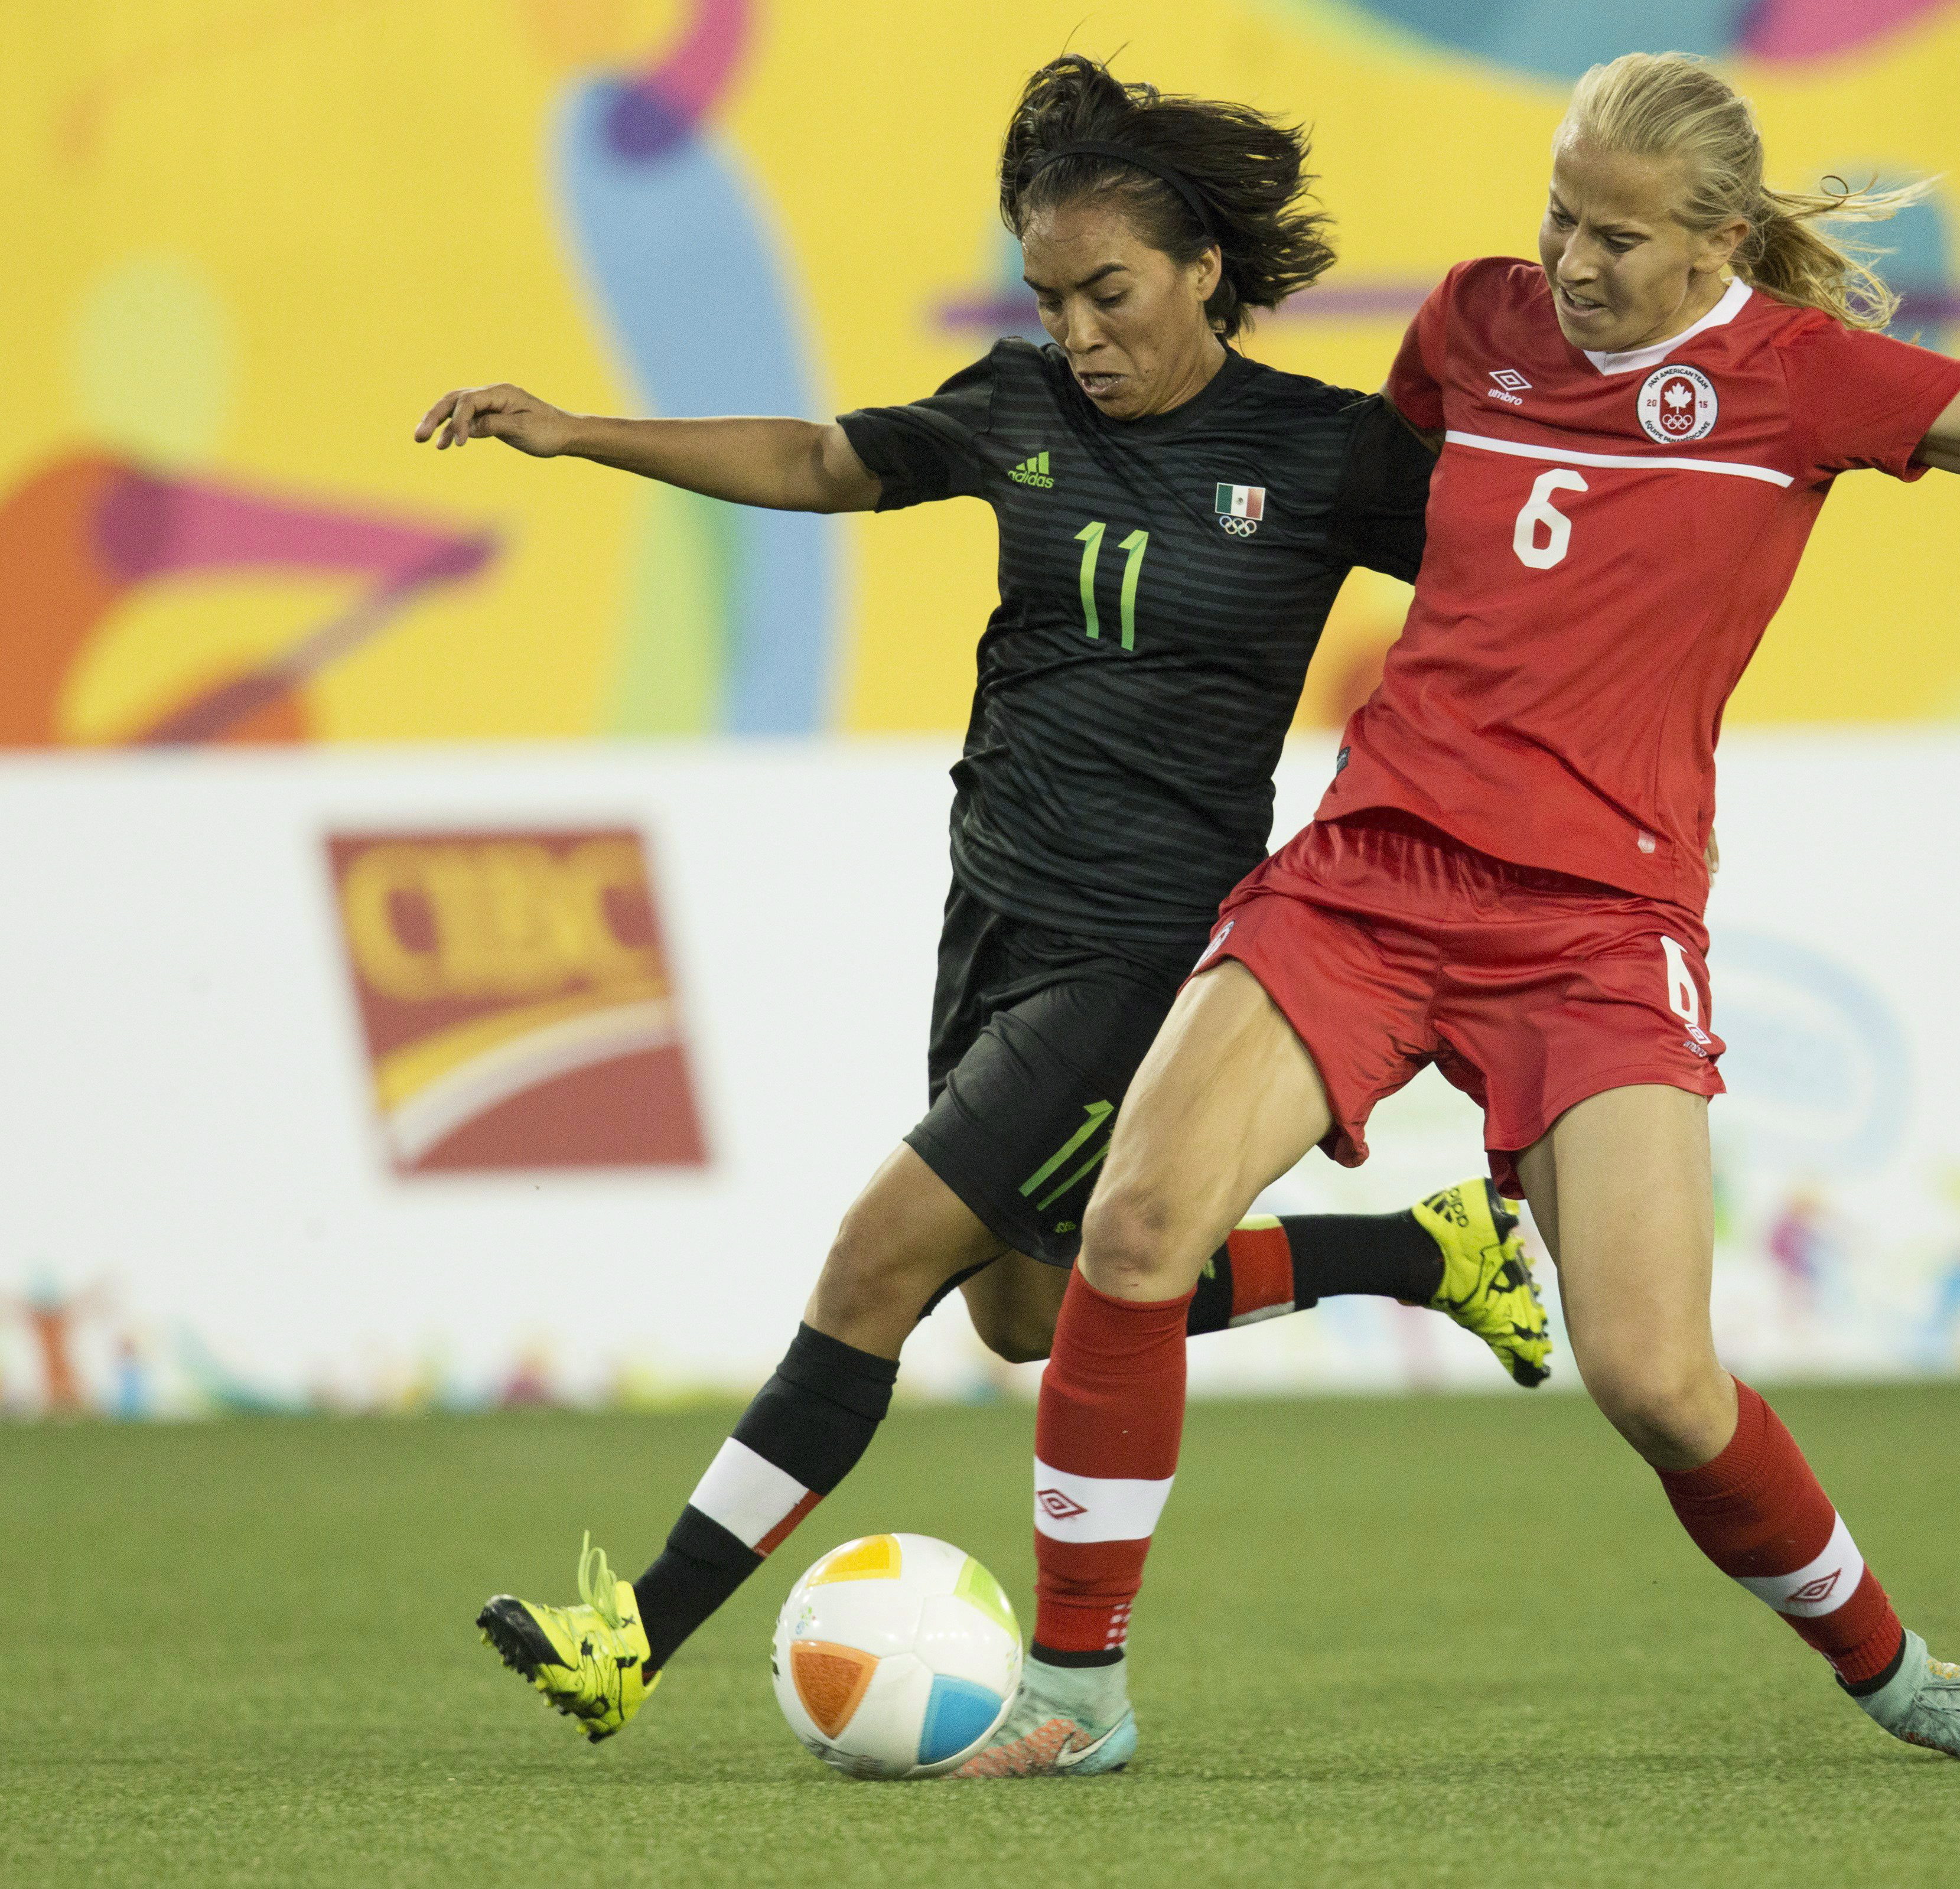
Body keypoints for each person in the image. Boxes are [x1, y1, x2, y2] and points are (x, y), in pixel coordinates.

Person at [964, 50, 1960, 1776]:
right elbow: (1393, 531)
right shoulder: (1466, 327)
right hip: (1370, 877)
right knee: (1131, 1237)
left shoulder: (1800, 384)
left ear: (1714, 237)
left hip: (1599, 927)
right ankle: (1078, 1697)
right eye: (1555, 218)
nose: (1570, 264)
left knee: (1659, 1384)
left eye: (1611, 235)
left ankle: (1906, 1680)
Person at [413, 53, 1554, 1745]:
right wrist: (580, 431)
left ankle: (629, 1636)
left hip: (1146, 953)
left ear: (1203, 275)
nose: (1080, 329)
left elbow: (1522, 572)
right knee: (1028, 1310)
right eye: (1051, 296)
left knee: (876, 1264)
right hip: (996, 925)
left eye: (1109, 292)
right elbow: (817, 461)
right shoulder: (1016, 410)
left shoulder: (1327, 456)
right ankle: (1422, 1248)